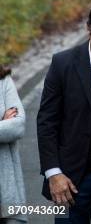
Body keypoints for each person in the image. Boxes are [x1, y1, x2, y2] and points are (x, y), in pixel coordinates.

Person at [37, 1, 91, 223]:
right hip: (69, 178)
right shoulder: (62, 63)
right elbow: (47, 121)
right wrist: (53, 173)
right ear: (89, 29)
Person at [0, 66, 27, 224]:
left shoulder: (3, 81)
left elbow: (18, 126)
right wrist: (3, 124)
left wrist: (7, 124)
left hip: (5, 190)